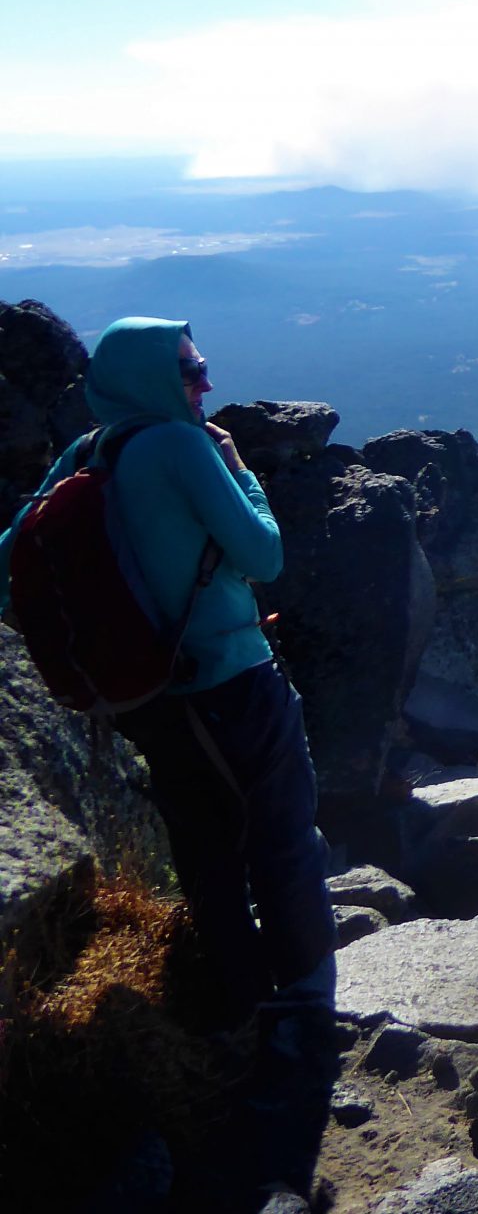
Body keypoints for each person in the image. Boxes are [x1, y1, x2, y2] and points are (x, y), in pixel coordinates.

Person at [1, 317, 336, 1029]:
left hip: (148, 699)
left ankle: (238, 1008)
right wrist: (241, 470)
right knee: (284, 839)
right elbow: (265, 555)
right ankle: (308, 1006)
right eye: (190, 370)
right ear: (152, 378)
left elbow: (10, 561)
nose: (207, 382)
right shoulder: (185, 447)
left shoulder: (89, 452)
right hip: (236, 684)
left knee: (206, 856)